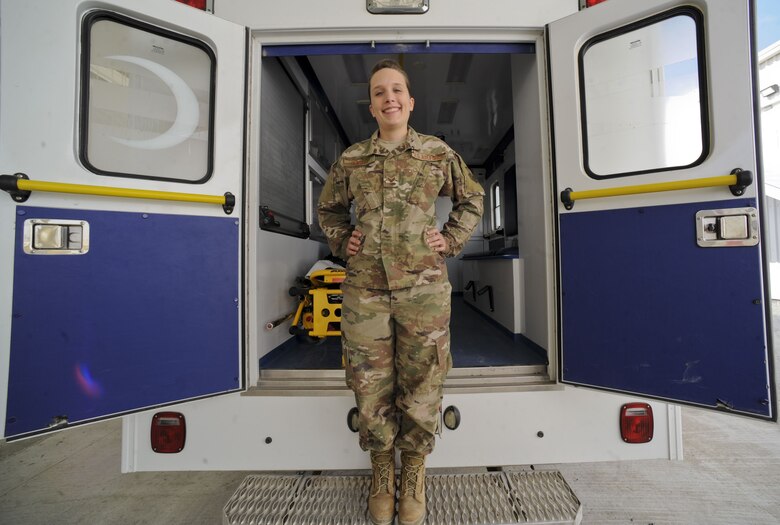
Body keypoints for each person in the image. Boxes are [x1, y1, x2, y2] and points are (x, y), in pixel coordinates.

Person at [317, 59, 484, 525]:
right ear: (371, 106)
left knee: (423, 382)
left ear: (410, 102)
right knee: (369, 384)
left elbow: (472, 198)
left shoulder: (436, 152)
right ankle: (381, 472)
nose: (388, 98)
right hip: (365, 292)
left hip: (424, 291)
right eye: (378, 92)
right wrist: (341, 240)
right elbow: (329, 209)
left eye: (396, 90)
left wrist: (449, 239)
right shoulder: (352, 159)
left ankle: (412, 472)